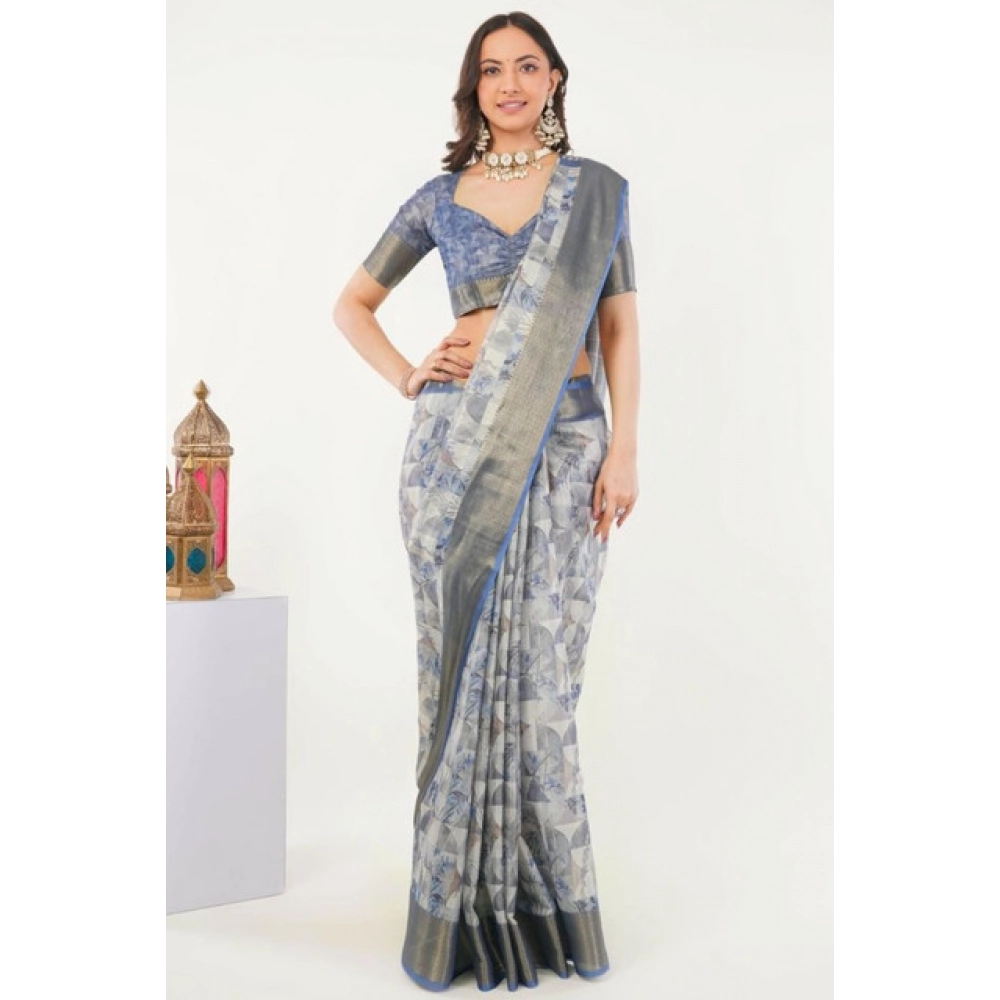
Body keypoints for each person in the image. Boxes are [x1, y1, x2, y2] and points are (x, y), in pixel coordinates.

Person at [333, 10, 640, 992]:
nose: (509, 83)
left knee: (544, 686)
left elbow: (619, 331)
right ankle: (455, 914)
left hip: (567, 445)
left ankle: (543, 910)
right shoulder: (439, 197)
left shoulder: (593, 195)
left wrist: (624, 450)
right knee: (457, 678)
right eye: (492, 69)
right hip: (453, 453)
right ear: (473, 89)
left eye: (527, 66)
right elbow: (352, 305)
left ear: (554, 81)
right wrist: (407, 374)